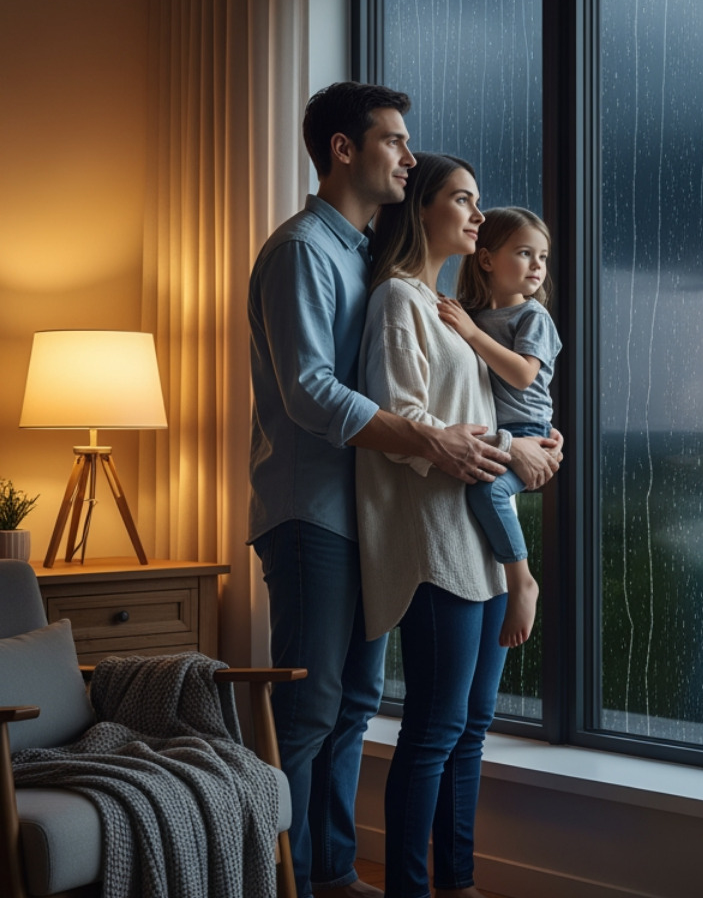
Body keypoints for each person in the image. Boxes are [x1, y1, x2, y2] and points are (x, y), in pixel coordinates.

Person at [247, 83, 561, 898]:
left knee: (352, 704)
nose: (409, 155)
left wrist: (517, 439)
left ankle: (335, 871)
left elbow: (453, 397)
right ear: (344, 149)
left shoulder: (367, 260)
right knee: (314, 711)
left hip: (365, 513)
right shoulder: (303, 252)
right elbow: (312, 390)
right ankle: (288, 877)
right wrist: (438, 439)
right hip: (311, 512)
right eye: (393, 140)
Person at [356, 153, 535, 898]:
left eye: (477, 199)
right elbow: (409, 425)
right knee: (433, 732)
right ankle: (410, 887)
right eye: (460, 199)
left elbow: (478, 423)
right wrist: (509, 448)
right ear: (422, 209)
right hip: (434, 548)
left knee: (470, 730)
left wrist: (523, 453)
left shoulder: (443, 311)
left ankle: (455, 883)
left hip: (482, 549)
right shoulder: (398, 302)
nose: (475, 213)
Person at [437, 206, 561, 647]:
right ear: (486, 259)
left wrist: (471, 333)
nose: (537, 267)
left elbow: (524, 375)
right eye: (525, 253)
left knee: (487, 490)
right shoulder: (472, 314)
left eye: (542, 258)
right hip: (497, 426)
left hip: (525, 426)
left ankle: (522, 581)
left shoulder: (532, 317)